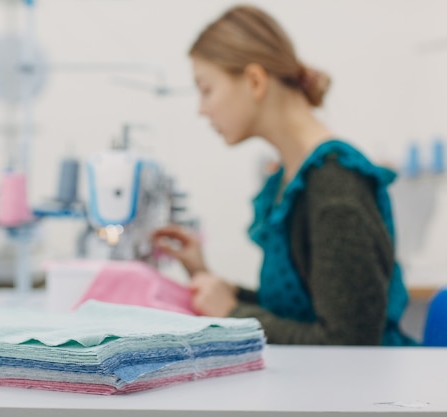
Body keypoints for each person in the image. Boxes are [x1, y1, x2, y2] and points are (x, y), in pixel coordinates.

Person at [152, 4, 416, 346]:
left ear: (255, 81)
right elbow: (298, 312)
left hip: (363, 393)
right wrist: (210, 281)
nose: (202, 109)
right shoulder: (292, 179)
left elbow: (348, 342)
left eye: (206, 89)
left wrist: (232, 313)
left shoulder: (335, 185)